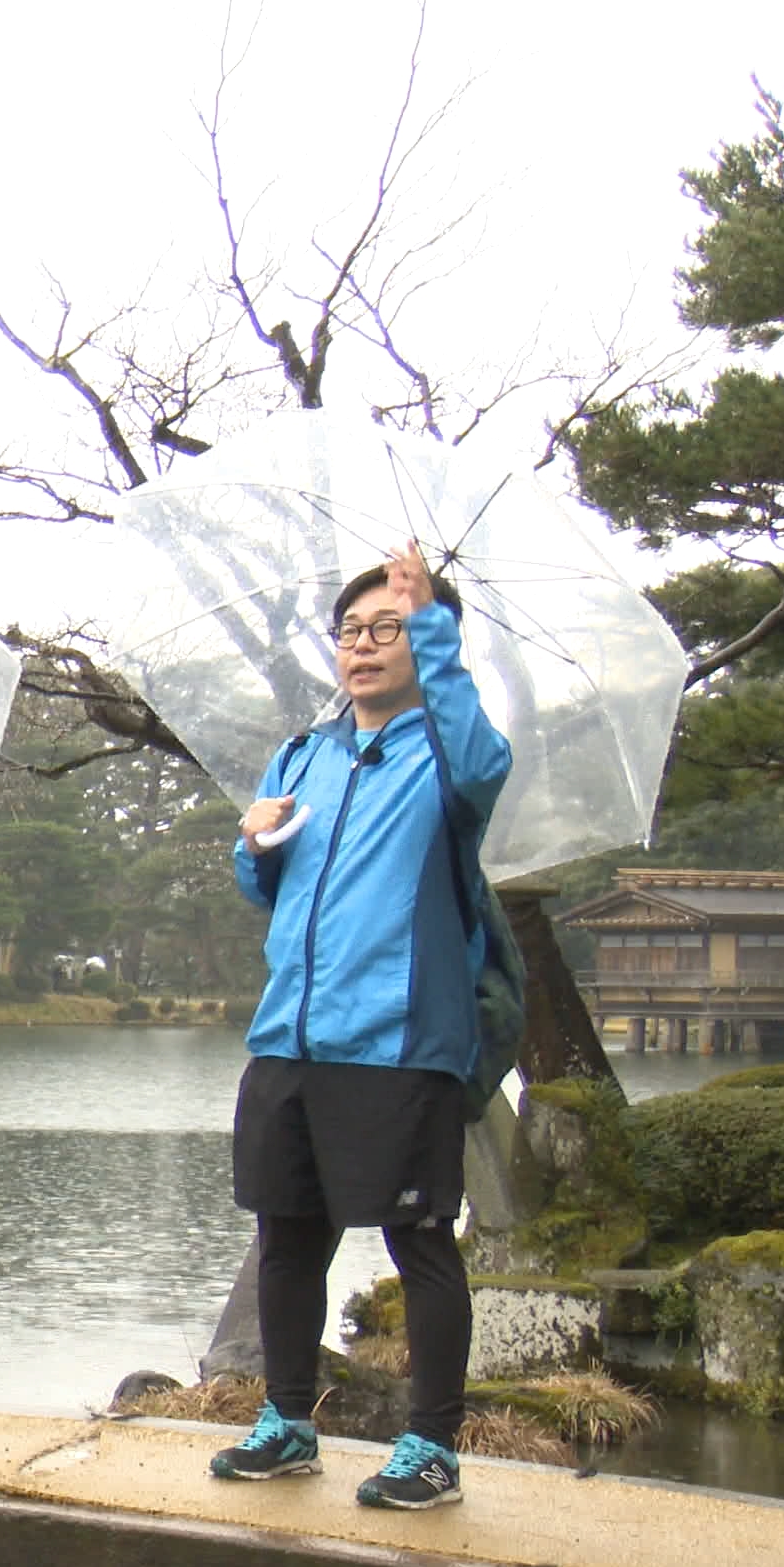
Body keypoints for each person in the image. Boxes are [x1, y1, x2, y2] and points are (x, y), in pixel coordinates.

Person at [211, 540, 511, 1511]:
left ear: (431, 640)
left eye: (391, 628)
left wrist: (437, 625)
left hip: (398, 1042)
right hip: (290, 1037)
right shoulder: (305, 754)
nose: (366, 646)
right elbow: (272, 887)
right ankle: (288, 1422)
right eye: (352, 630)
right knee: (288, 1235)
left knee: (418, 1240)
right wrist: (251, 847)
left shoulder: (448, 758)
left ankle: (432, 1446)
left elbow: (483, 762)